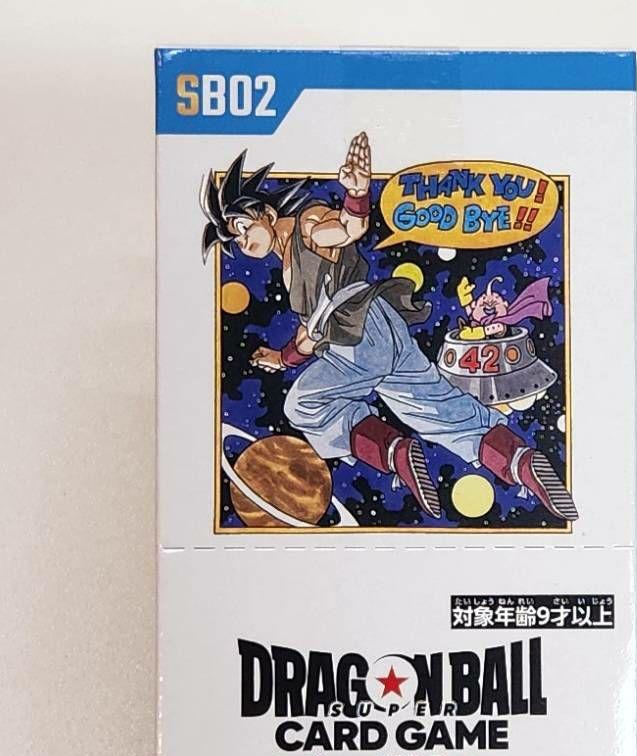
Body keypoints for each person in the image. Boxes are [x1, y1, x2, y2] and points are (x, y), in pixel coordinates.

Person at [200, 133, 578, 522]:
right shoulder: (289, 266)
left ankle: (393, 451)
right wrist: (283, 358)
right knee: (440, 410)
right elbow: (310, 336)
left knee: (303, 404)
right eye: (235, 239)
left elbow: (346, 229)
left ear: (265, 211)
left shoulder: (307, 226)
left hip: (358, 337)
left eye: (242, 226)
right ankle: (520, 462)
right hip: (383, 328)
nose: (242, 240)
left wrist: (356, 195)